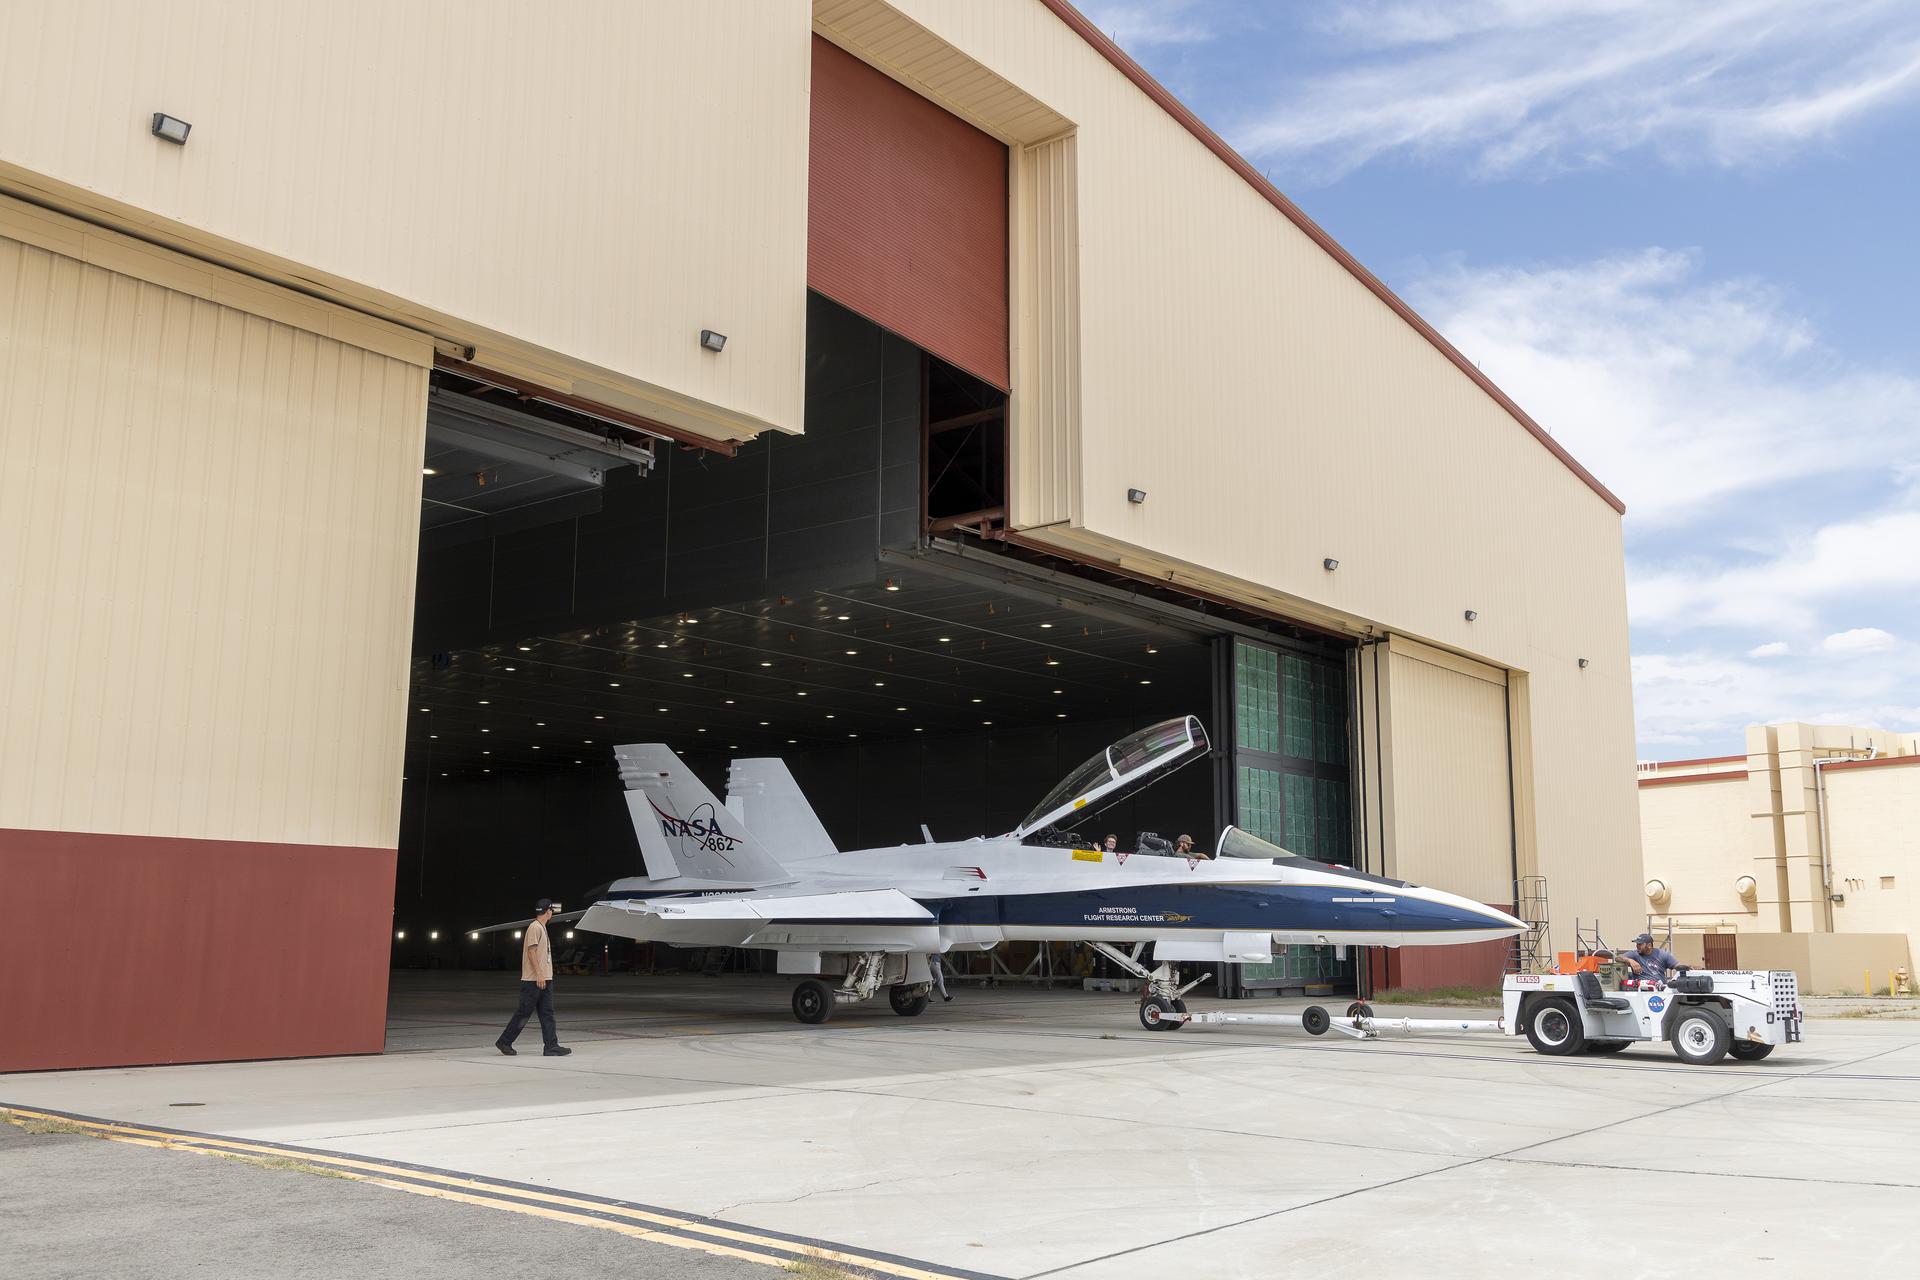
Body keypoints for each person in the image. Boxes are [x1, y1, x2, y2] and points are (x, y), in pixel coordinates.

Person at [496, 898, 571, 1056]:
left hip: (544, 978)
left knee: (547, 1013)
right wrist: (539, 974)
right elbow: (531, 952)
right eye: (551, 910)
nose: (552, 913)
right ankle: (504, 1041)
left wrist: (545, 976)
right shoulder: (534, 928)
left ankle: (551, 1046)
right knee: (523, 1013)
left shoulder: (542, 927)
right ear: (548, 911)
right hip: (534, 980)